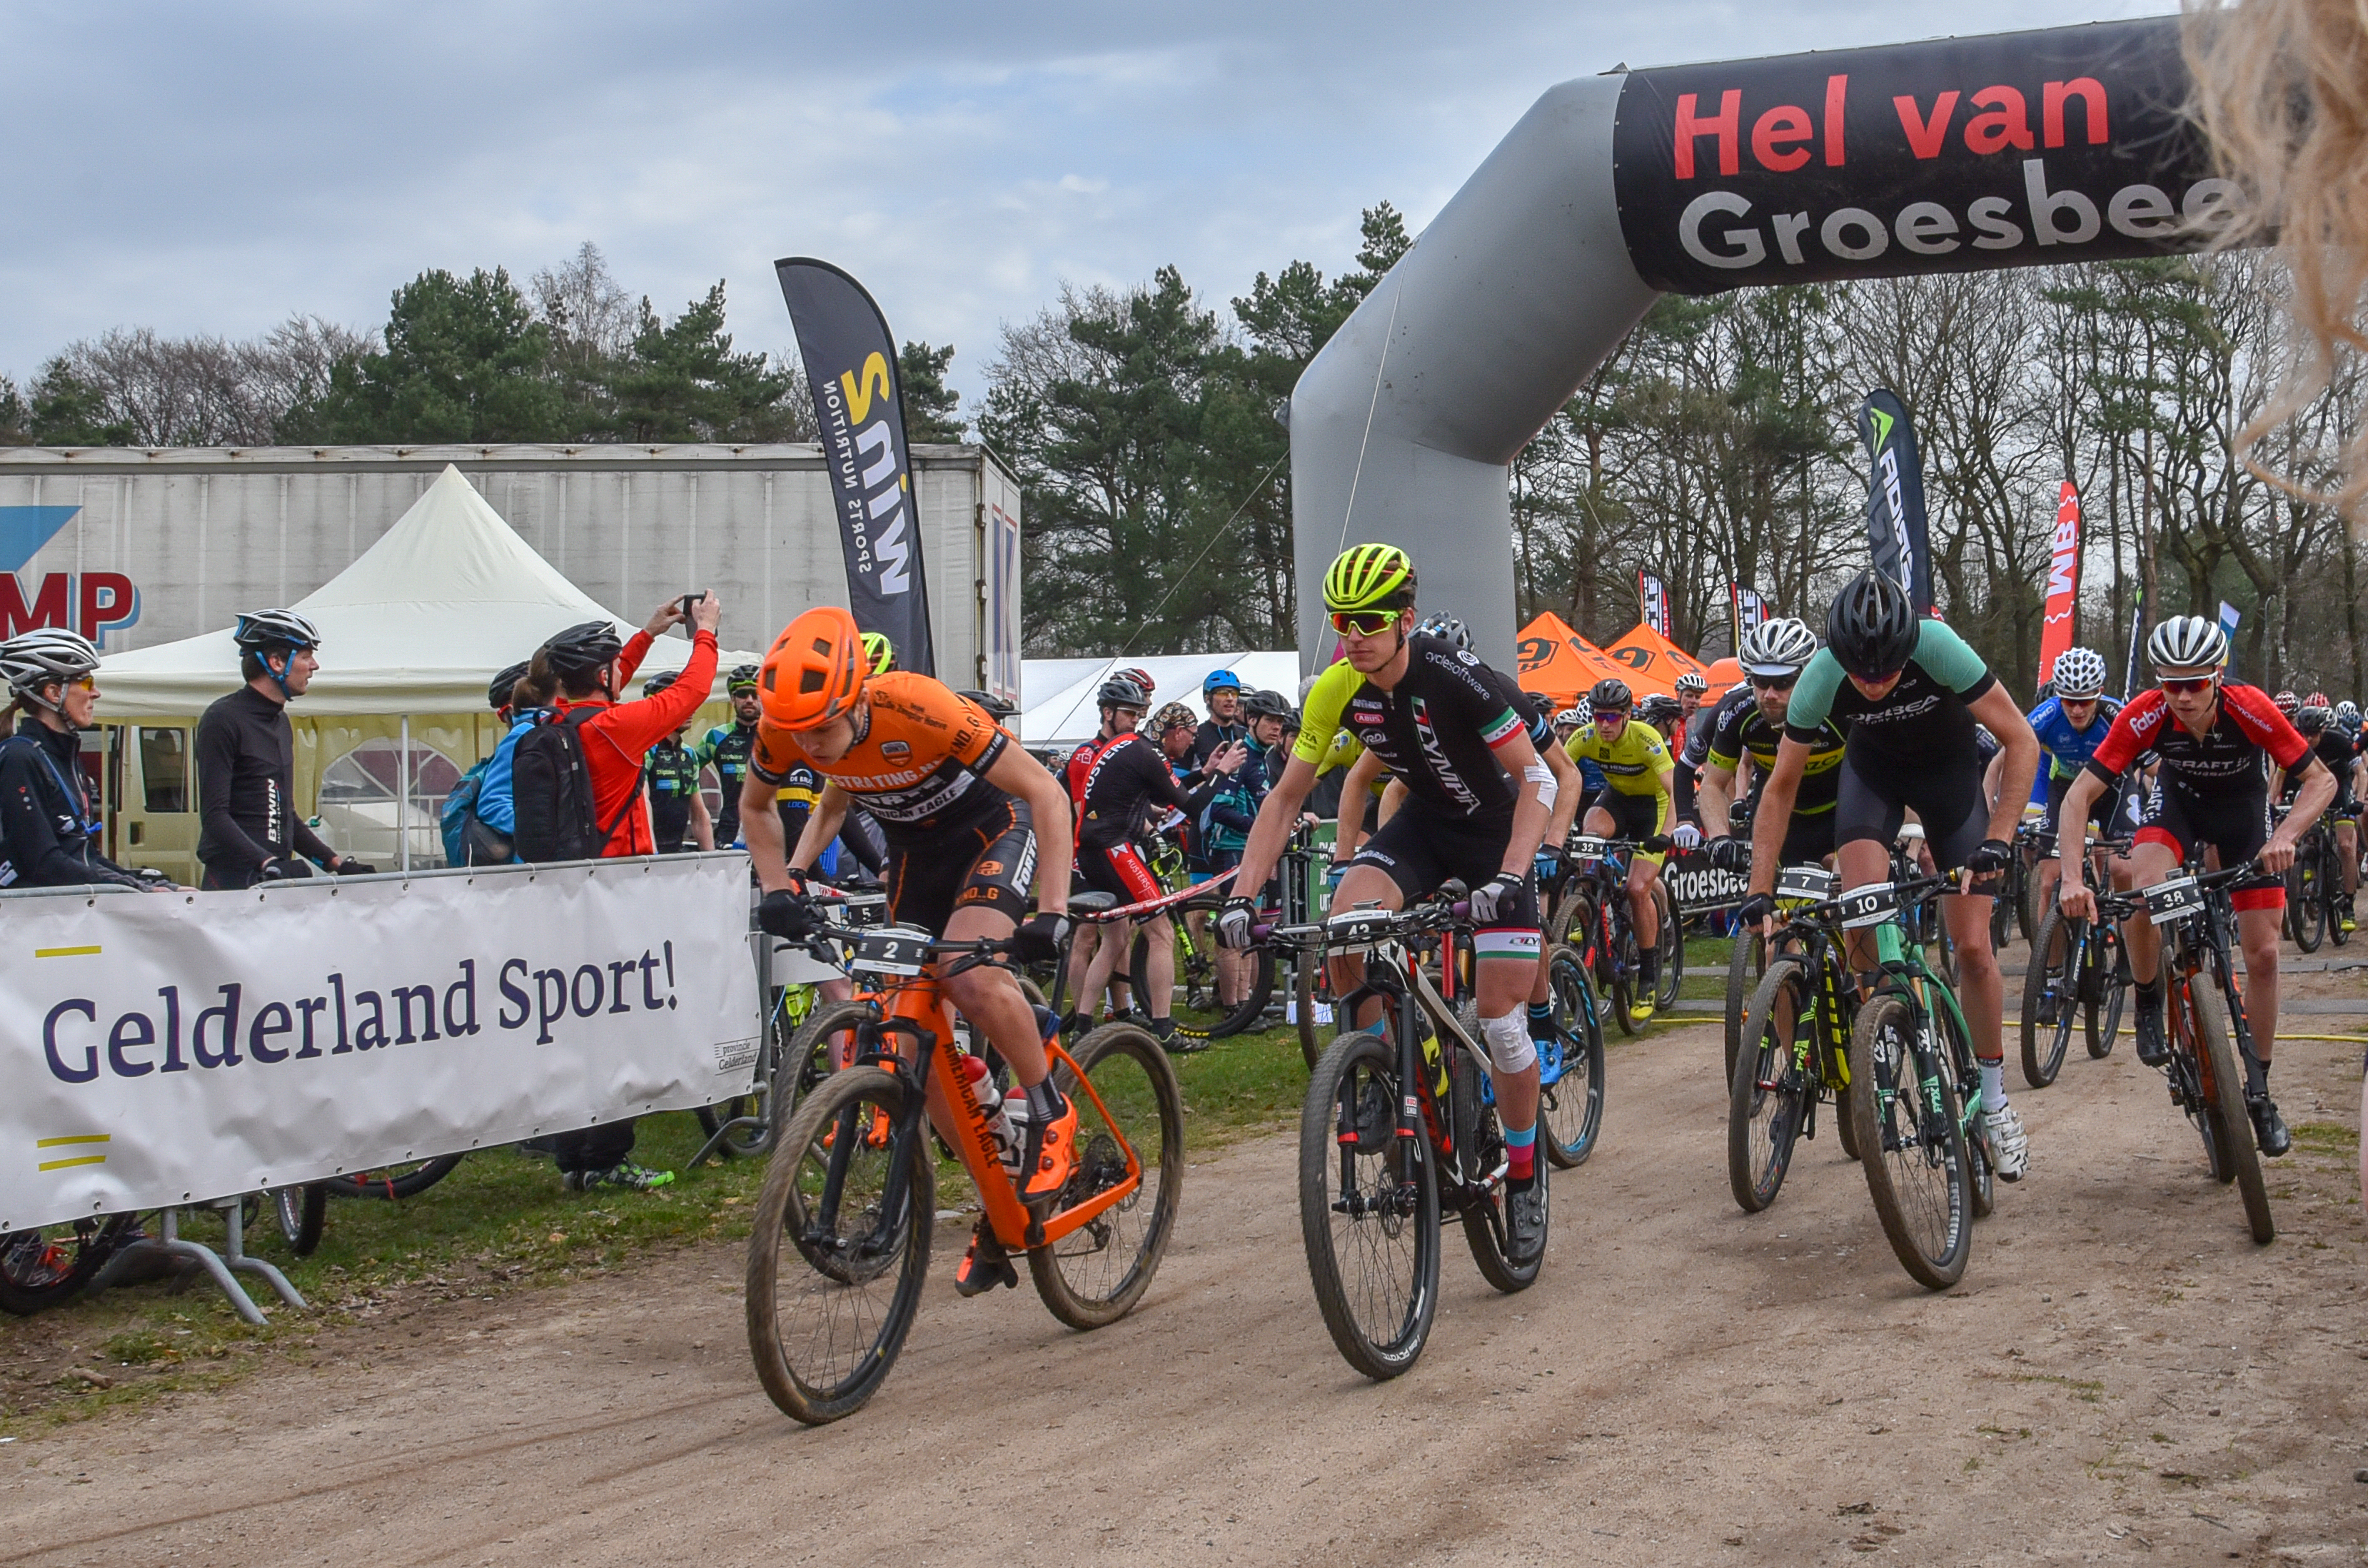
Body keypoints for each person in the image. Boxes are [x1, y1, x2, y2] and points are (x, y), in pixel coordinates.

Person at [1220, 543, 1562, 1265]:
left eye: (1368, 620)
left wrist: (1509, 874)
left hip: (1494, 838)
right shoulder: (1336, 686)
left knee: (1501, 1023)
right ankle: (1375, 1071)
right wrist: (1241, 895)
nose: (1352, 633)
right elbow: (1285, 797)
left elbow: (1539, 780)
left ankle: (1525, 1177)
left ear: (1404, 618)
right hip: (1421, 829)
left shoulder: (1455, 674)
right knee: (1345, 929)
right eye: (1340, 620)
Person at [741, 605, 1082, 1298]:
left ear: (854, 699)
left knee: (967, 973)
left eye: (819, 729)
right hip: (915, 857)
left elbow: (1045, 792)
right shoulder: (786, 731)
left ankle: (1048, 1107)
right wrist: (783, 884)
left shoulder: (918, 706)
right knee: (909, 1036)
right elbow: (756, 807)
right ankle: (998, 1181)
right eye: (795, 733)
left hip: (993, 830)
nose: (806, 745)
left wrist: (1052, 911)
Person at [1738, 570, 2042, 1182]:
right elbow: (1778, 791)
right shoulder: (1822, 674)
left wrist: (1998, 841)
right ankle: (1881, 1032)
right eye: (1860, 672)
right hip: (1872, 778)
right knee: (1861, 918)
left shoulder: (1938, 646)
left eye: (1885, 671)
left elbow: (2021, 739)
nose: (1872, 684)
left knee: (1974, 947)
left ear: (1908, 646)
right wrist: (1758, 889)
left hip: (1949, 783)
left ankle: (1993, 1100)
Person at [2055, 615, 2332, 1158]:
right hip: (2177, 809)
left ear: (2217, 676)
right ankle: (2148, 997)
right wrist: (2069, 876)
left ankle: (2259, 1091)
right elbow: (2075, 798)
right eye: (2169, 683)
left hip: (2244, 818)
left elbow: (2320, 779)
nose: (2180, 696)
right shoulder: (2145, 713)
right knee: (2140, 886)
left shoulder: (2249, 705)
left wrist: (2288, 834)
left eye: (2194, 684)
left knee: (2264, 955)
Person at [532, 596, 722, 1193]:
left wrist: (646, 633)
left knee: (575, 1027)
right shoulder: (616, 730)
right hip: (618, 892)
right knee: (617, 1027)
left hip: (566, 891)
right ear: (604, 674)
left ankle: (574, 1159)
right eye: (617, 665)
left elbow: (605, 690)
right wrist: (705, 634)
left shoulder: (557, 724)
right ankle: (609, 1155)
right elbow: (687, 695)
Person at [1064, 675, 1244, 1051]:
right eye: (1130, 713)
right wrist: (1223, 772)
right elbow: (1191, 806)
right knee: (1160, 934)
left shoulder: (1121, 748)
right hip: (1115, 849)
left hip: (1094, 849)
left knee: (1114, 940)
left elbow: (1164, 788)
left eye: (1140, 712)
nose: (1135, 719)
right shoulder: (1141, 751)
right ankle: (1163, 1029)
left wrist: (1204, 773)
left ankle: (1083, 1024)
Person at [196, 609, 374, 890]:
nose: (314, 666)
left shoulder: (280, 721)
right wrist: (265, 862)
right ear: (276, 662)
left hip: (274, 876)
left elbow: (285, 814)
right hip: (234, 879)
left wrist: (336, 864)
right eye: (305, 656)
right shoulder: (223, 719)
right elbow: (215, 816)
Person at [0, 629, 163, 891]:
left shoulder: (65, 758)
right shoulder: (21, 758)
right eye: (86, 682)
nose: (95, 693)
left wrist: (150, 885)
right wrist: (134, 888)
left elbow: (85, 857)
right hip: (33, 919)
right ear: (53, 692)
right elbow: (42, 862)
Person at [1565, 678, 1681, 1023]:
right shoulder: (1583, 738)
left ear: (1628, 715)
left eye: (1612, 718)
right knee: (1590, 832)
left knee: (1636, 888)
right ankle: (1588, 902)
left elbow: (1675, 791)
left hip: (1654, 806)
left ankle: (1647, 977)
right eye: (1599, 717)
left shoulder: (1646, 738)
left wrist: (1667, 833)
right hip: (1618, 800)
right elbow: (1558, 777)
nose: (1604, 725)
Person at [1698, 617, 1845, 876]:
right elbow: (1713, 783)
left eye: (1784, 682)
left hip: (1840, 813)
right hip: (1779, 818)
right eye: (1761, 681)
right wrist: (1720, 836)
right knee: (1768, 909)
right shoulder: (1738, 712)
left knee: (1845, 886)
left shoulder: (1836, 708)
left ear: (1805, 676)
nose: (1770, 694)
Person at [2025, 647, 2127, 917]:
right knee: (2049, 881)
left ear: (2100, 693)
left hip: (2112, 788)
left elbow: (2147, 766)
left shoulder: (2117, 715)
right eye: (2069, 701)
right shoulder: (2047, 715)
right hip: (2064, 788)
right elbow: (2005, 759)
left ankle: (2126, 952)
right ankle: (2052, 961)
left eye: (2086, 700)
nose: (2078, 709)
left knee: (2122, 869)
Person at [2282, 704, 2359, 932]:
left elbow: (2361, 773)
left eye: (2313, 734)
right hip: (2314, 790)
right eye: (2304, 734)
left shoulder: (2339, 742)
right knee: (2299, 825)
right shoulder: (2295, 744)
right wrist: (2272, 803)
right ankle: (2310, 861)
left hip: (2341, 790)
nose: (2308, 739)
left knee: (2345, 845)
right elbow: (2280, 775)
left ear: (2323, 731)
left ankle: (2348, 904)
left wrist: (2361, 799)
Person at [640, 671, 715, 854]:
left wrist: (713, 860)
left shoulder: (689, 754)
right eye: (684, 704)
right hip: (647, 854)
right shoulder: (644, 750)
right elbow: (643, 806)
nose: (692, 710)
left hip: (676, 849)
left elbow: (699, 815)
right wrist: (653, 854)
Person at [697, 665, 764, 847]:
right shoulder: (715, 736)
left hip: (769, 828)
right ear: (733, 699)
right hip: (729, 828)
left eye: (755, 693)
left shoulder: (776, 736)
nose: (749, 700)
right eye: (742, 694)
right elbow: (688, 772)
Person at [1191, 669, 1248, 769]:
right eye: (1223, 693)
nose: (1230, 698)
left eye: (1234, 694)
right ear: (1208, 699)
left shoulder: (1246, 735)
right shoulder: (1196, 736)